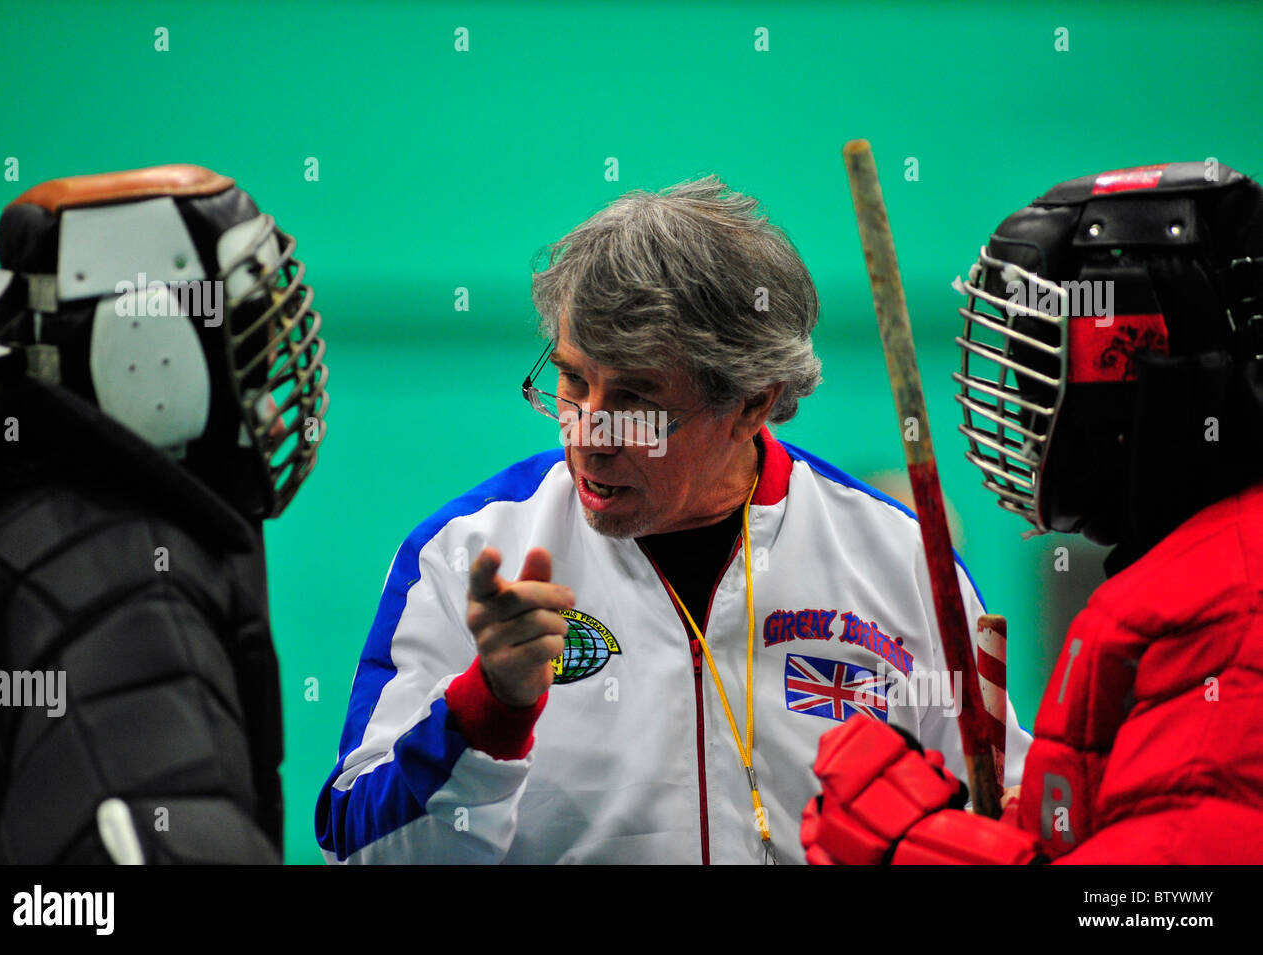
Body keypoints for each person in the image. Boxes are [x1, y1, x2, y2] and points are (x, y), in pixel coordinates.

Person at [317, 175, 1030, 864]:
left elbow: (1007, 810)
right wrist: (486, 710)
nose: (587, 432)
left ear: (752, 402)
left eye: (635, 399)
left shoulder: (898, 558)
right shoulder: (467, 552)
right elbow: (356, 848)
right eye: (571, 379)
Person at [801, 160, 1263, 864]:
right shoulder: (1201, 569)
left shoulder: (1231, 599)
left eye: (1042, 364)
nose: (1021, 405)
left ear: (1149, 362)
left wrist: (918, 848)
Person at [0, 164, 329, 863]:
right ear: (146, 351)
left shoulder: (20, 521)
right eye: (246, 340)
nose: (276, 396)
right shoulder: (131, 581)